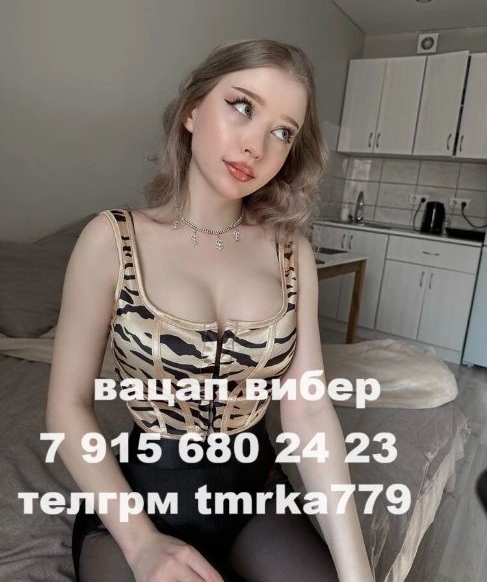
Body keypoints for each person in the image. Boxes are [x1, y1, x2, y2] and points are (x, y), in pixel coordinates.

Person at [46, 38, 375, 582]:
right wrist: (142, 545)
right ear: (192, 110)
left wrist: (357, 572)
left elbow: (309, 410)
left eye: (282, 132)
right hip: (142, 502)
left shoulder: (291, 251)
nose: (255, 146)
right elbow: (67, 407)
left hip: (255, 500)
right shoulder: (111, 239)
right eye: (242, 106)